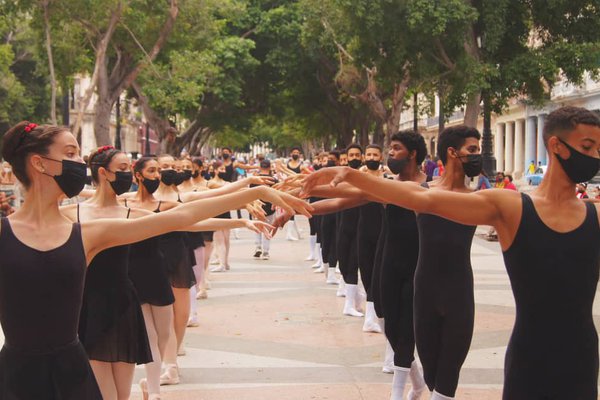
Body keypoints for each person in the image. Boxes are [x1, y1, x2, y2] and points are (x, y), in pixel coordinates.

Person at [303, 106, 600, 400]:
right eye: (588, 146)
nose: (595, 156)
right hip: (528, 356)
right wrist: (352, 176)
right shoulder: (512, 207)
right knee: (432, 369)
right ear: (556, 146)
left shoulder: (595, 215)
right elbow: (424, 197)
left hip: (582, 357)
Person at [0, 121, 311, 400]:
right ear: (39, 163)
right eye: (70, 153)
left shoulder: (86, 234)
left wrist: (255, 192)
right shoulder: (5, 232)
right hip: (15, 376)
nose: (81, 163)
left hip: (72, 373)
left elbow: (181, 215)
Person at [305, 126, 483, 399]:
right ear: (452, 152)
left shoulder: (482, 199)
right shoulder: (420, 191)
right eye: (472, 149)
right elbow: (354, 195)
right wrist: (297, 200)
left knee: (447, 378)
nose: (478, 155)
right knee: (431, 371)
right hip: (425, 290)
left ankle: (398, 392)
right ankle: (416, 383)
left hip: (457, 292)